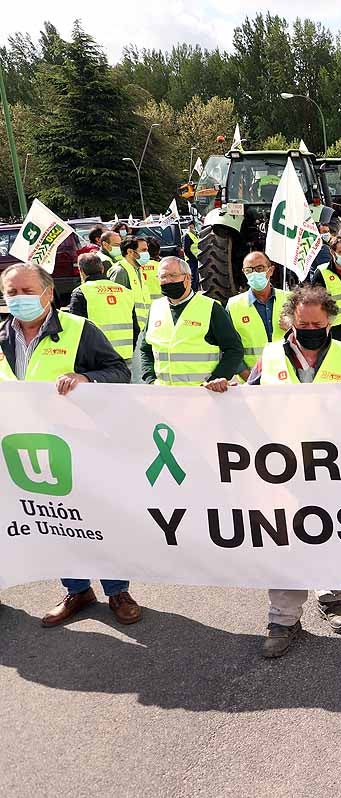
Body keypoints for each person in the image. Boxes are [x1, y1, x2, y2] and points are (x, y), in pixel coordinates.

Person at [0, 263, 139, 627]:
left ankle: (117, 591)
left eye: (26, 291)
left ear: (48, 293)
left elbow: (119, 372)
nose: (18, 299)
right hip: (27, 452)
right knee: (52, 524)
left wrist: (85, 378)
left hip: (82, 447)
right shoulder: (0, 338)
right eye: (11, 292)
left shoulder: (80, 331)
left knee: (95, 519)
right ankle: (77, 589)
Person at [245, 286, 341, 657]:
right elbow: (244, 403)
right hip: (281, 468)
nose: (311, 328)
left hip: (333, 468)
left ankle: (333, 598)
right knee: (286, 538)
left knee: (333, 530)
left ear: (329, 320)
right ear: (290, 321)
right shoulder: (269, 357)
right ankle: (282, 618)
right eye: (303, 323)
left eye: (317, 323)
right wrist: (226, 391)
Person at [139, 256, 244, 390]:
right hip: (163, 395)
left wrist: (216, 379)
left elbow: (234, 349)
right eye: (163, 276)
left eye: (173, 275)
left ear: (187, 278)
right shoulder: (155, 308)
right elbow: (145, 349)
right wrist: (150, 379)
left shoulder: (211, 308)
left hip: (202, 395)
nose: (167, 281)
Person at [67, 253, 138, 369]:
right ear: (102, 268)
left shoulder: (81, 292)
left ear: (81, 271)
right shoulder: (125, 291)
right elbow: (135, 327)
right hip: (125, 355)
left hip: (97, 357)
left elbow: (75, 328)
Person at [227, 252, 290, 383]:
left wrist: (293, 327)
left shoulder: (290, 300)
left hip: (287, 378)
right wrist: (251, 378)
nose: (254, 273)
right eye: (249, 270)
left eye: (260, 269)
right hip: (251, 382)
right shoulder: (233, 306)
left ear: (271, 270)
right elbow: (229, 348)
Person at [108, 236, 152, 332]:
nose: (147, 254)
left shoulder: (137, 269)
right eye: (143, 250)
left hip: (142, 326)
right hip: (130, 326)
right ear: (130, 252)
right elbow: (117, 303)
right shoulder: (120, 271)